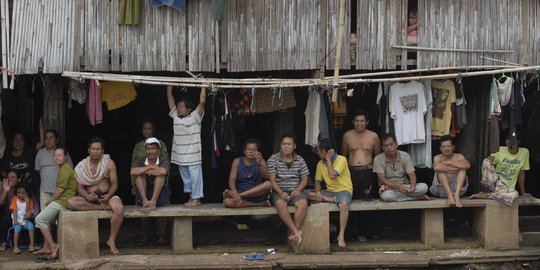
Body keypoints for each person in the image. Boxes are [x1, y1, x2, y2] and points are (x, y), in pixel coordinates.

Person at [66, 137, 124, 254]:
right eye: (93, 149)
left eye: (98, 149)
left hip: (107, 197)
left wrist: (108, 195)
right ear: (88, 150)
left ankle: (111, 240)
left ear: (102, 151)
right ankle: (105, 207)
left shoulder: (109, 163)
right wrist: (87, 196)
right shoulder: (82, 166)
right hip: (90, 199)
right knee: (70, 202)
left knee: (119, 208)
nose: (96, 151)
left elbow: (114, 184)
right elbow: (80, 188)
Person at [307, 138, 353, 248]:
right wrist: (318, 192)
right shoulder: (319, 164)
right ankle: (330, 200)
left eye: (318, 151)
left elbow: (332, 175)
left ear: (324, 151)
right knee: (307, 194)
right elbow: (317, 182)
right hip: (329, 192)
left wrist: (328, 159)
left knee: (343, 205)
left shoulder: (341, 159)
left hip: (343, 190)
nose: (317, 153)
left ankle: (341, 235)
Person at [34, 147, 77, 261]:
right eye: (55, 155)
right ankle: (50, 247)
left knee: (39, 219)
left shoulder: (65, 169)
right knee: (43, 219)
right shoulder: (63, 168)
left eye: (59, 155)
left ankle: (53, 246)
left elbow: (60, 190)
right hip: (63, 199)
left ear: (65, 157)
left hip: (63, 200)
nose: (57, 157)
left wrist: (50, 200)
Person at [166, 85, 206, 207]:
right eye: (178, 106)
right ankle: (191, 198)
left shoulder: (195, 116)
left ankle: (197, 199)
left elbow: (202, 101)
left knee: (195, 178)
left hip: (193, 155)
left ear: (189, 109)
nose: (178, 108)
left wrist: (204, 85)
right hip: (180, 156)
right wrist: (170, 84)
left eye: (181, 106)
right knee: (187, 180)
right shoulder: (175, 117)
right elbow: (169, 96)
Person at [131, 121, 169, 244]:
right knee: (139, 176)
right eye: (148, 149)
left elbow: (163, 170)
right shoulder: (138, 147)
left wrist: (148, 170)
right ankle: (146, 233)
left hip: (158, 187)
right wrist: (148, 169)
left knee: (160, 177)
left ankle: (161, 234)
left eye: (153, 149)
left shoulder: (162, 147)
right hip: (144, 186)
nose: (150, 151)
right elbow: (133, 170)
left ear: (158, 149)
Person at [267, 134, 309, 244]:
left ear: (294, 146)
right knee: (281, 204)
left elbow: (305, 179)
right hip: (278, 191)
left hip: (295, 190)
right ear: (280, 145)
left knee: (303, 204)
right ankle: (296, 232)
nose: (286, 146)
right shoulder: (273, 159)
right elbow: (272, 180)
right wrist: (280, 192)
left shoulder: (300, 160)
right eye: (283, 144)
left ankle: (294, 231)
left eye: (289, 144)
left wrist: (298, 190)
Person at [470, 132, 530, 205]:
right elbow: (491, 159)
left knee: (514, 195)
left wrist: (523, 192)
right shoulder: (500, 150)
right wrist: (491, 158)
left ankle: (486, 195)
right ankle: (490, 190)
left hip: (508, 189)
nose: (510, 142)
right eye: (508, 140)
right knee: (486, 161)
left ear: (518, 141)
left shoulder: (524, 152)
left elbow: (521, 173)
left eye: (513, 140)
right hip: (497, 182)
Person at [374, 134, 429, 202]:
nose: (389, 148)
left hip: (404, 186)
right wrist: (398, 188)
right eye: (386, 146)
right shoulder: (378, 159)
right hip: (388, 189)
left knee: (424, 187)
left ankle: (404, 196)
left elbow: (412, 174)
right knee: (387, 196)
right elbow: (383, 179)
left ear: (396, 145)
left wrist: (412, 186)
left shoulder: (404, 155)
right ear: (382, 148)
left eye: (391, 144)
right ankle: (415, 198)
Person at [341, 110, 381, 199]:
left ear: (367, 122)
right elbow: (343, 156)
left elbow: (378, 158)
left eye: (362, 121)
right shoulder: (347, 136)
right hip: (351, 172)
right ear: (353, 122)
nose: (359, 123)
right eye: (357, 121)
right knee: (352, 198)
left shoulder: (374, 136)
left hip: (368, 171)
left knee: (368, 199)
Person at [223, 139, 271, 208]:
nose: (251, 152)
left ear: (257, 152)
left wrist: (259, 163)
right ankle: (259, 204)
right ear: (244, 151)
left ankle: (241, 195)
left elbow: (266, 176)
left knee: (268, 184)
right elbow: (232, 179)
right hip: (241, 192)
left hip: (256, 195)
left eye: (254, 150)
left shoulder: (261, 161)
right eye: (249, 149)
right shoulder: (237, 161)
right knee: (227, 202)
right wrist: (234, 191)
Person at [0, 170, 39, 252]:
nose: (10, 179)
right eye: (8, 177)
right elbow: (1, 202)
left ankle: (33, 243)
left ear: (19, 179)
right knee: (4, 220)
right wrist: (6, 191)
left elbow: (34, 205)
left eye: (13, 177)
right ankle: (4, 242)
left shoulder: (26, 189)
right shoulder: (6, 189)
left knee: (36, 221)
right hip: (11, 213)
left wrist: (30, 213)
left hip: (26, 213)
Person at [35, 129, 73, 210]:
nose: (48, 140)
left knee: (58, 215)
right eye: (46, 138)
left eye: (51, 138)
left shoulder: (63, 153)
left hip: (61, 190)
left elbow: (70, 170)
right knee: (45, 214)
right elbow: (38, 170)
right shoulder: (40, 153)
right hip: (45, 189)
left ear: (57, 139)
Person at [430, 135, 470, 207]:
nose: (446, 148)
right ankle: (450, 196)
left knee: (462, 169)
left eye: (448, 146)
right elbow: (436, 167)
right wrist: (455, 168)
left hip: (458, 190)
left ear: (453, 147)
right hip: (441, 190)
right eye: (444, 147)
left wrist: (450, 163)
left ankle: (456, 196)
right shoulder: (437, 157)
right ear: (440, 148)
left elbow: (467, 165)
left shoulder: (459, 156)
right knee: (440, 170)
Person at [131, 120, 169, 195]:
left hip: (158, 175)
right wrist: (134, 183)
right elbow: (134, 165)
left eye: (149, 129)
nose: (146, 131)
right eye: (144, 129)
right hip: (142, 178)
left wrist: (166, 180)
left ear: (153, 130)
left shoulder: (161, 144)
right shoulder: (138, 146)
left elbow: (166, 164)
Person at [9, 182, 36, 254]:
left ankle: (31, 245)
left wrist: (27, 202)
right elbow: (14, 211)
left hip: (25, 220)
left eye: (22, 193)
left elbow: (27, 214)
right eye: (18, 193)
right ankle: (15, 247)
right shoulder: (15, 199)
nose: (20, 195)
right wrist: (15, 221)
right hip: (17, 220)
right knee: (17, 228)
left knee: (31, 226)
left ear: (27, 193)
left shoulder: (29, 200)